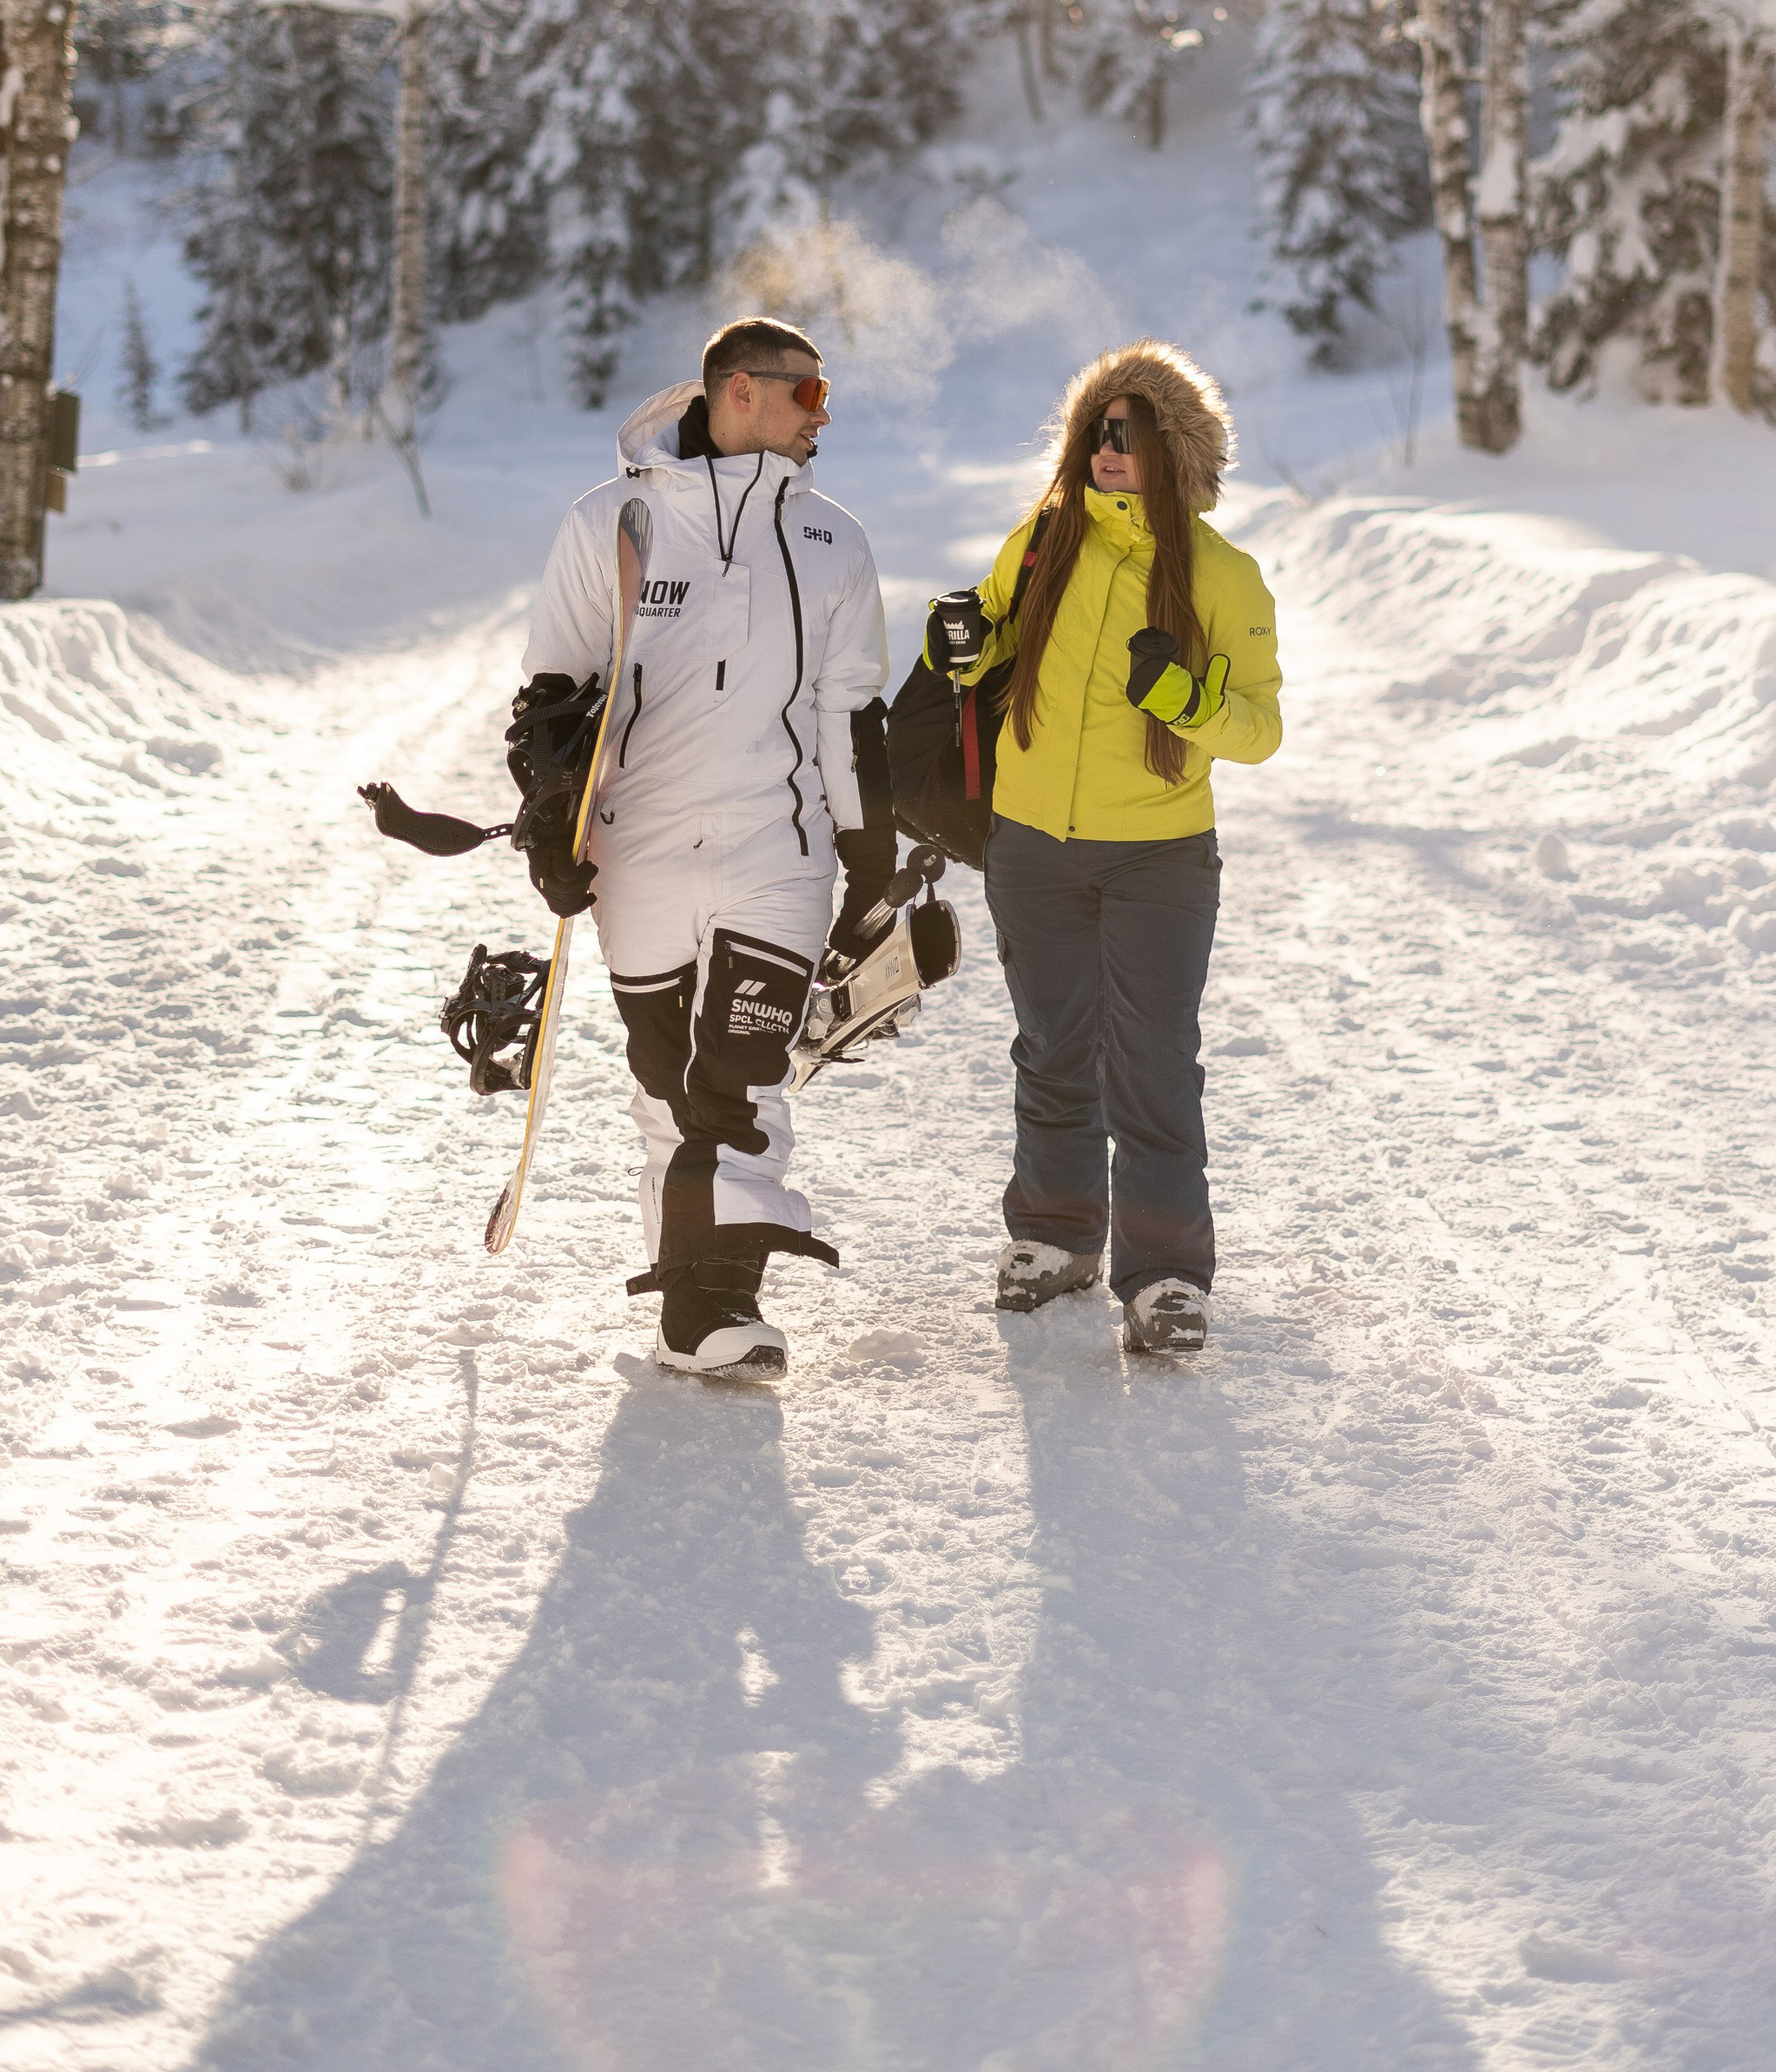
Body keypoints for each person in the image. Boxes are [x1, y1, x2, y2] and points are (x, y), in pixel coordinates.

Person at [516, 317, 895, 1381]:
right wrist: (552, 826)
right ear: (739, 391)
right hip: (637, 852)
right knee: (666, 1085)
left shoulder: (833, 542)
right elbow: (551, 694)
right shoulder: (611, 522)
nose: (823, 417)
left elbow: (850, 711)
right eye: (808, 394)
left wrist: (868, 857)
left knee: (743, 1078)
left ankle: (716, 1305)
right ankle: (691, 1300)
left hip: (778, 850)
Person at [923, 341, 1282, 1356]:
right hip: (1031, 842)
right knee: (1052, 1047)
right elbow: (992, 640)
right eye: (1095, 432)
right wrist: (958, 641)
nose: (1106, 450)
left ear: (1175, 449)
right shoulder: (1044, 540)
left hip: (1157, 856)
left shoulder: (1220, 575)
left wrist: (1179, 697)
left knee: (1153, 1062)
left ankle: (1166, 1275)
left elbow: (1259, 730)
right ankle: (1055, 1236)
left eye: (1128, 434)